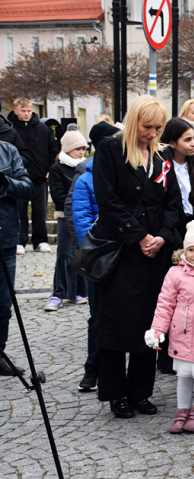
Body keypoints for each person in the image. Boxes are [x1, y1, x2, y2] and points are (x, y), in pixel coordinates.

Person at [92, 95, 182, 419]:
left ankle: (140, 392)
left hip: (155, 251)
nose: (153, 133)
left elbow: (173, 201)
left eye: (158, 128)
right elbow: (107, 200)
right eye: (148, 127)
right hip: (122, 249)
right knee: (115, 323)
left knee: (151, 321)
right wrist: (139, 235)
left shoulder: (163, 154)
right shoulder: (110, 149)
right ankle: (116, 394)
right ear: (134, 122)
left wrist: (163, 236)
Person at [146, 219, 194, 433]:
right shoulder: (175, 273)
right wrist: (157, 331)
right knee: (184, 376)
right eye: (191, 250)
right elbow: (165, 304)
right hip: (183, 334)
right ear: (184, 251)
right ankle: (181, 412)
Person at [69, 121, 121, 391]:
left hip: (125, 252)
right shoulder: (85, 179)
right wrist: (100, 252)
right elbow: (81, 223)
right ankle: (93, 368)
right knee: (97, 315)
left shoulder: (122, 171)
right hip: (100, 255)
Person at [0, 142, 35, 376]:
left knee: (3, 304)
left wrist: (5, 182)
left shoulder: (8, 151)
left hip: (5, 240)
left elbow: (28, 188)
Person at [45, 131, 89, 312]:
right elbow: (58, 195)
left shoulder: (86, 167)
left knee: (81, 254)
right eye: (78, 149)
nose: (81, 152)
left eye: (84, 148)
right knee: (64, 255)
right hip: (65, 216)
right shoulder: (57, 168)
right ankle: (59, 293)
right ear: (68, 149)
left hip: (82, 217)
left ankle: (77, 291)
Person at [8, 98, 57, 255]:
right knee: (19, 211)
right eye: (23, 111)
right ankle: (19, 241)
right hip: (18, 178)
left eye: (29, 110)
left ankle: (40, 240)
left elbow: (53, 150)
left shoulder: (43, 129)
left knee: (39, 211)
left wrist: (50, 168)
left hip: (39, 176)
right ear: (15, 111)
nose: (26, 114)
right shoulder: (11, 130)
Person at [160, 117, 194, 241]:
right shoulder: (163, 165)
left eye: (193, 138)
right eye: (187, 140)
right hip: (173, 224)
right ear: (172, 143)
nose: (193, 143)